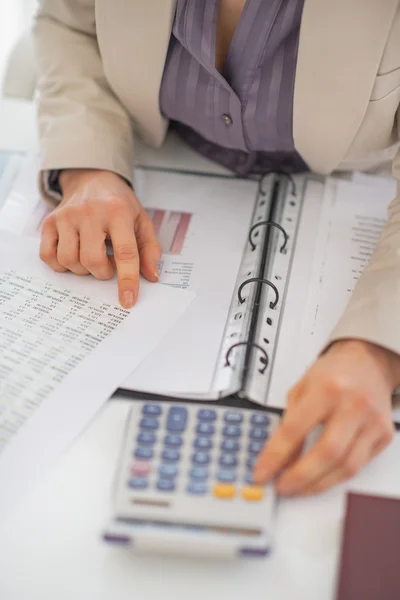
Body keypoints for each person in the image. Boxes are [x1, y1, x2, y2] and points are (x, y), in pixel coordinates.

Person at [33, 0, 400, 496]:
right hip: (160, 159)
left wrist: (379, 347)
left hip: (354, 191)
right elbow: (70, 24)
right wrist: (88, 166)